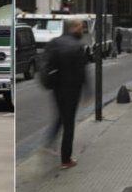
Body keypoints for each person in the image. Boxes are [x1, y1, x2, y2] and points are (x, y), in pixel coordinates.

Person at [42, 19, 87, 169]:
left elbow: (46, 64)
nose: (82, 29)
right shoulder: (77, 46)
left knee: (60, 116)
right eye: (80, 27)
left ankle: (48, 143)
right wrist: (87, 91)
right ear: (73, 28)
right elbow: (82, 72)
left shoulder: (54, 42)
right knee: (69, 124)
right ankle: (66, 159)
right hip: (72, 89)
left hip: (56, 88)